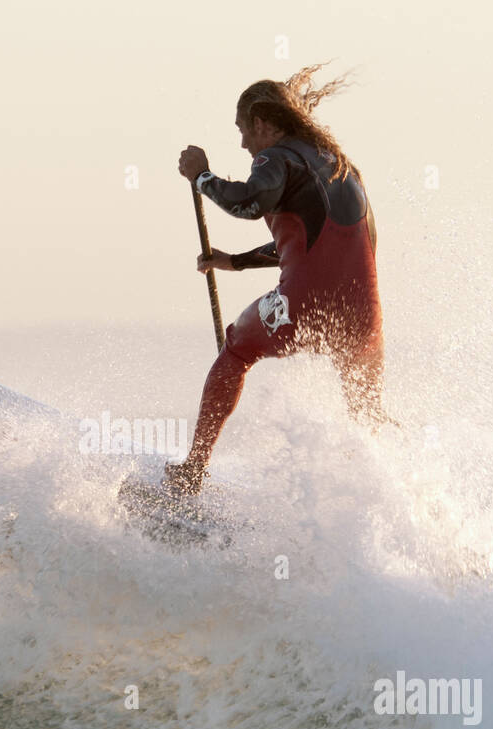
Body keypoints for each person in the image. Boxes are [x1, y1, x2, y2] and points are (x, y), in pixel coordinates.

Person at [165, 63, 387, 496]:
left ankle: (193, 471)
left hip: (305, 306)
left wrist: (201, 177)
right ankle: (390, 501)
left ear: (264, 124)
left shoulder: (276, 158)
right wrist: (238, 261)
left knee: (237, 349)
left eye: (244, 131)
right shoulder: (343, 168)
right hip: (365, 315)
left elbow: (249, 203)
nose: (244, 143)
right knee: (369, 416)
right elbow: (323, 246)